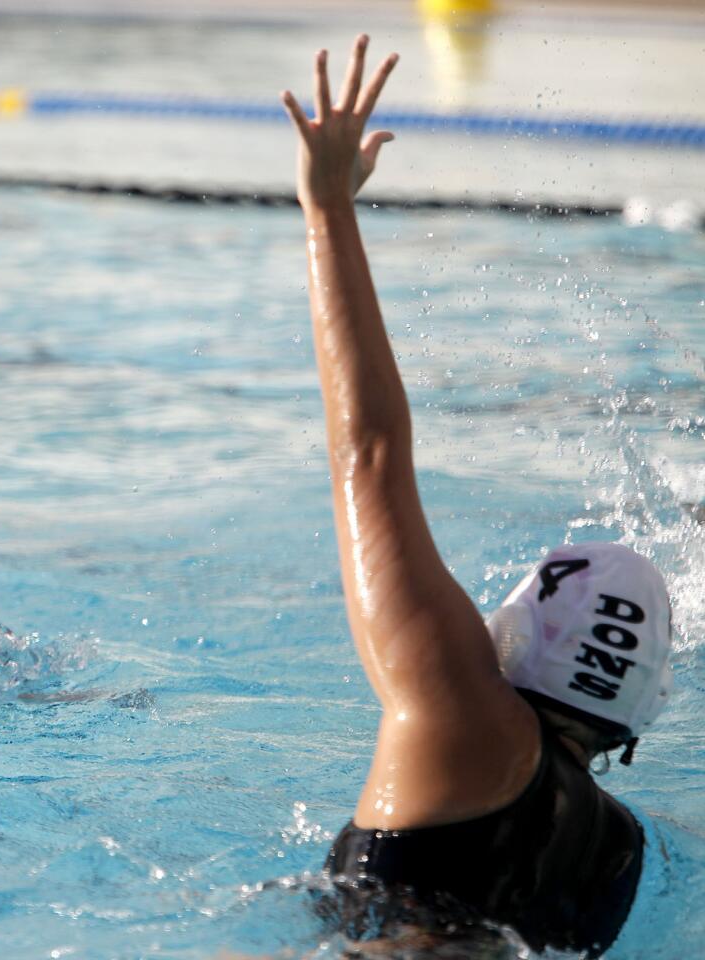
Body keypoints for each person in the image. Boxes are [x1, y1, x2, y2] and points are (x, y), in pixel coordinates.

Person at [280, 37, 675, 957]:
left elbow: (368, 455)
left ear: (514, 633)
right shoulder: (620, 850)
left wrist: (326, 206)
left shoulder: (459, 710)